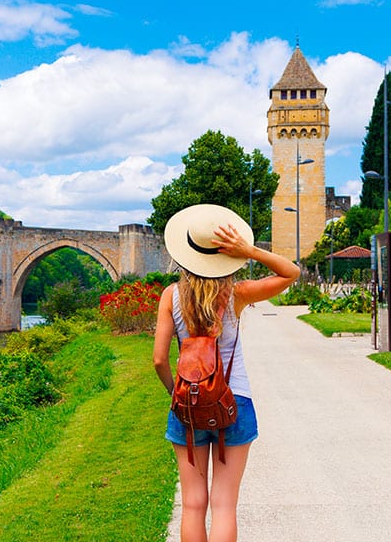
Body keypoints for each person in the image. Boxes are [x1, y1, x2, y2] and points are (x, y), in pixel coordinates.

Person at [153, 203, 300, 542]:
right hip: (234, 403)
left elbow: (159, 360)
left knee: (192, 504)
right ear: (225, 256)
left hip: (187, 405)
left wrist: (177, 397)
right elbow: (290, 273)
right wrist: (249, 251)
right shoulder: (237, 294)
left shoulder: (170, 297)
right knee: (224, 505)